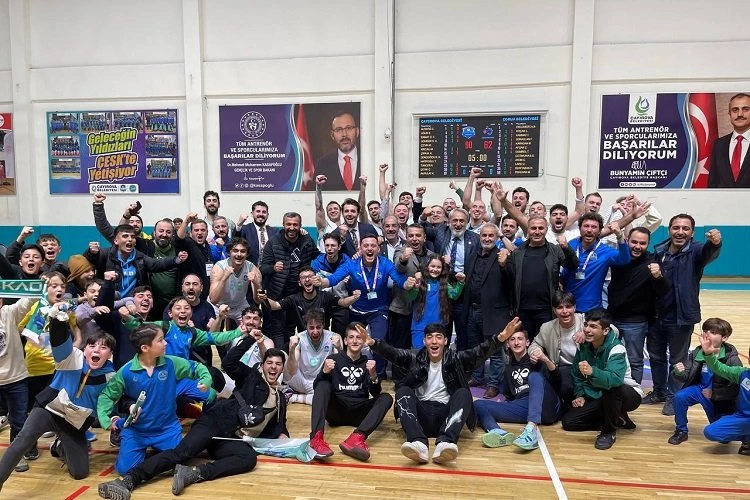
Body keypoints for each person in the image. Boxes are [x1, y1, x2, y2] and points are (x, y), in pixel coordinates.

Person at [97, 345, 289, 499]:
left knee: (248, 459)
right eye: (269, 363)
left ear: (282, 368)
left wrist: (285, 437)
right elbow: (229, 362)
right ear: (262, 365)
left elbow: (278, 425)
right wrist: (250, 338)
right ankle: (129, 480)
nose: (273, 367)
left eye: (278, 364)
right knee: (181, 454)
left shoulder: (281, 397)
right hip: (214, 422)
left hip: (229, 438)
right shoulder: (252, 378)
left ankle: (194, 473)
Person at [367, 318, 522, 465]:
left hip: (446, 419)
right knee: (403, 390)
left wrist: (500, 338)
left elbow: (479, 352)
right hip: (420, 418)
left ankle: (446, 442)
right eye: (430, 337)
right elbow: (393, 353)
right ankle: (417, 442)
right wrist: (373, 343)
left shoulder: (456, 358)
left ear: (446, 341)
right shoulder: (415, 357)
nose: (434, 341)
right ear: (424, 341)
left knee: (463, 393)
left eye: (439, 337)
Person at [0, 312, 115, 485]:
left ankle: (59, 446)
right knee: (22, 440)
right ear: (85, 349)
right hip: (48, 411)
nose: (96, 350)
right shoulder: (71, 357)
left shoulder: (111, 376)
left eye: (103, 347)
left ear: (110, 354)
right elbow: (59, 341)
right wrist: (58, 321)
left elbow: (107, 404)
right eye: (92, 346)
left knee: (80, 473)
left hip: (73, 423)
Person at [97, 323, 215, 475]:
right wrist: (105, 419)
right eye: (160, 340)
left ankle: (158, 450)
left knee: (180, 462)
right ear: (145, 348)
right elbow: (107, 395)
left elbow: (196, 367)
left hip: (167, 429)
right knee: (126, 471)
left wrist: (205, 379)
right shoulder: (126, 371)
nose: (165, 343)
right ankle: (122, 428)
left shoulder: (171, 363)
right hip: (137, 431)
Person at [646, 215, 722, 415]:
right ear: (669, 229)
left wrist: (715, 243)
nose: (680, 232)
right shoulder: (659, 250)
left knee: (678, 360)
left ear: (692, 232)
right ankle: (659, 392)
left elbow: (708, 253)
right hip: (656, 315)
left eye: (685, 228)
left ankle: (673, 397)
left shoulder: (696, 251)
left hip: (681, 316)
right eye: (676, 227)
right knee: (656, 357)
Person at [319, 233, 416, 379]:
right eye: (366, 246)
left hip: (378, 311)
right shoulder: (352, 264)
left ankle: (378, 375)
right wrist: (322, 282)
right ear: (360, 248)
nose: (369, 248)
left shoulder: (385, 263)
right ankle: (352, 372)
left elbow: (400, 280)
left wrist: (407, 284)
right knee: (352, 341)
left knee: (378, 341)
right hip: (357, 311)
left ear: (378, 249)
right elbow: (333, 279)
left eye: (373, 246)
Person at [308, 323, 393, 461]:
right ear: (345, 340)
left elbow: (376, 393)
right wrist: (324, 372)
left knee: (386, 397)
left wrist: (373, 376)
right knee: (323, 384)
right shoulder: (333, 359)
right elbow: (316, 388)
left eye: (359, 338)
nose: (354, 341)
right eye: (351, 337)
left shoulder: (368, 363)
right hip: (336, 411)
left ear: (364, 341)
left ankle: (357, 437)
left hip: (359, 413)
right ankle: (316, 439)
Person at [561, 308, 642, 450]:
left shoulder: (617, 348)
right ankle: (617, 418)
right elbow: (577, 373)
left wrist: (593, 372)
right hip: (598, 395)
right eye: (586, 325)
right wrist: (580, 394)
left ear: (605, 331)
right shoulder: (583, 346)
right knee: (569, 422)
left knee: (612, 388)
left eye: (593, 326)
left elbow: (614, 379)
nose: (587, 330)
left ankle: (608, 432)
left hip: (627, 394)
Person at [474, 329, 562, 451]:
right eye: (512, 339)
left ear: (527, 342)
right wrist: (502, 406)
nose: (516, 343)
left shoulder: (536, 360)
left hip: (546, 405)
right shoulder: (507, 370)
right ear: (508, 344)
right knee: (479, 404)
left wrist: (545, 359)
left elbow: (557, 379)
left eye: (520, 339)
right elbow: (510, 396)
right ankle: (499, 433)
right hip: (524, 407)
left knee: (534, 376)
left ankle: (531, 429)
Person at [503, 216, 578, 341]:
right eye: (533, 228)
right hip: (523, 310)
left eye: (541, 228)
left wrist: (566, 248)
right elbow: (509, 279)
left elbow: (573, 265)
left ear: (546, 229)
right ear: (528, 230)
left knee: (548, 344)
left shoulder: (555, 250)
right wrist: (503, 264)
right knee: (525, 345)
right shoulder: (517, 253)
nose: (537, 231)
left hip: (547, 310)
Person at [668, 318, 741, 445]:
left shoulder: (732, 359)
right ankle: (681, 430)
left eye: (713, 332)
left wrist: (715, 394)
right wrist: (679, 372)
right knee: (679, 397)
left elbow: (736, 388)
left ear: (724, 338)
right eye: (705, 331)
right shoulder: (697, 352)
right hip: (699, 389)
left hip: (717, 396)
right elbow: (686, 376)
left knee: (724, 439)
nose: (707, 334)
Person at [608, 227, 667, 384]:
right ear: (627, 240)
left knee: (634, 360)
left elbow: (663, 291)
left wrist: (658, 276)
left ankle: (634, 391)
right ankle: (611, 389)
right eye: (634, 242)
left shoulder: (652, 263)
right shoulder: (618, 258)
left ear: (648, 244)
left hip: (636, 322)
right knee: (608, 356)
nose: (637, 246)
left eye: (642, 243)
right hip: (612, 317)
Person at [260, 212, 320, 351]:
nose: (292, 228)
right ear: (283, 225)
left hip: (297, 294)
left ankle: (292, 356)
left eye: (295, 225)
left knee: (292, 329)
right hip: (276, 293)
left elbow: (317, 257)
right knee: (275, 330)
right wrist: (273, 268)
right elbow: (263, 267)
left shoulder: (307, 240)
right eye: (288, 224)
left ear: (300, 226)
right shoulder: (273, 242)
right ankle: (276, 357)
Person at [561, 213, 630, 312]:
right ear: (580, 229)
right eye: (586, 226)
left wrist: (619, 236)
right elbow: (564, 270)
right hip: (568, 307)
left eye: (594, 227)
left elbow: (625, 259)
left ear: (599, 231)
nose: (589, 230)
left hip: (592, 308)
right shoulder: (571, 244)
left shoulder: (606, 251)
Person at [697, 332, 750, 456]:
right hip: (742, 417)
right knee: (711, 432)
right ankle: (747, 437)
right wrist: (708, 354)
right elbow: (719, 368)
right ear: (749, 359)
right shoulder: (742, 373)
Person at [0, 295, 36, 473]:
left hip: (16, 379)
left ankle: (16, 455)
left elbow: (27, 300)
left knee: (19, 421)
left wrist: (38, 284)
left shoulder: (9, 313)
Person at [529, 291, 585, 405]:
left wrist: (587, 333)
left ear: (574, 308)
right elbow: (535, 344)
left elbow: (613, 330)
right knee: (563, 384)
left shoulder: (585, 320)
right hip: (563, 368)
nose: (565, 311)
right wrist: (535, 351)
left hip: (586, 365)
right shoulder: (547, 327)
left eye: (568, 307)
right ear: (554, 310)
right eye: (560, 307)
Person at [283, 310, 342, 405]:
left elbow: (340, 368)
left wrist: (339, 348)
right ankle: (314, 396)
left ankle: (294, 397)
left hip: (321, 381)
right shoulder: (299, 338)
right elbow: (292, 370)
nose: (315, 332)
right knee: (281, 358)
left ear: (323, 325)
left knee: (334, 387)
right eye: (311, 328)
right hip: (302, 381)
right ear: (306, 326)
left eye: (318, 327)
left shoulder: (334, 337)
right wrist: (291, 350)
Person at [708, 93, 750, 188]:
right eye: (735, 110)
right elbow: (712, 183)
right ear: (729, 114)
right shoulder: (719, 144)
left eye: (745, 109)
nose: (740, 114)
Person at [315, 111, 361, 191]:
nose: (344, 134)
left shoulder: (369, 159)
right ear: (332, 135)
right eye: (338, 129)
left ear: (357, 131)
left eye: (348, 128)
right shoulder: (322, 164)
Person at [236, 201, 279, 266]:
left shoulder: (274, 231)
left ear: (267, 215)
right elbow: (235, 242)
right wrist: (239, 225)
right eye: (258, 211)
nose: (261, 214)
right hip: (250, 268)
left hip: (270, 269)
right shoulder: (245, 229)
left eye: (264, 212)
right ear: (252, 214)